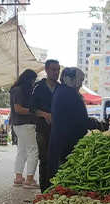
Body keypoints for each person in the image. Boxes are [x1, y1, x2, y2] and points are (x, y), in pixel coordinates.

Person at [48, 67, 91, 182]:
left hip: (63, 138)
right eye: (80, 80)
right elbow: (79, 118)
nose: (81, 85)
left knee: (61, 169)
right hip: (67, 140)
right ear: (72, 79)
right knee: (66, 172)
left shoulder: (62, 91)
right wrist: (97, 124)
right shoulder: (68, 95)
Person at [30, 59, 61, 191]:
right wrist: (44, 114)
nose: (56, 72)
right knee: (44, 160)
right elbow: (31, 108)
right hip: (42, 130)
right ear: (46, 70)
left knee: (58, 160)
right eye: (53, 70)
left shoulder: (61, 88)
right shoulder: (38, 87)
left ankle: (57, 189)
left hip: (59, 131)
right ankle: (44, 190)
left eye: (58, 70)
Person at [10, 69, 39, 189]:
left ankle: (18, 177)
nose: (33, 82)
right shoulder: (19, 90)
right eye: (33, 80)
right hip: (25, 124)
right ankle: (29, 180)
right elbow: (18, 108)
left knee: (22, 151)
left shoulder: (16, 89)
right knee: (33, 150)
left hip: (18, 124)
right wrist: (36, 112)